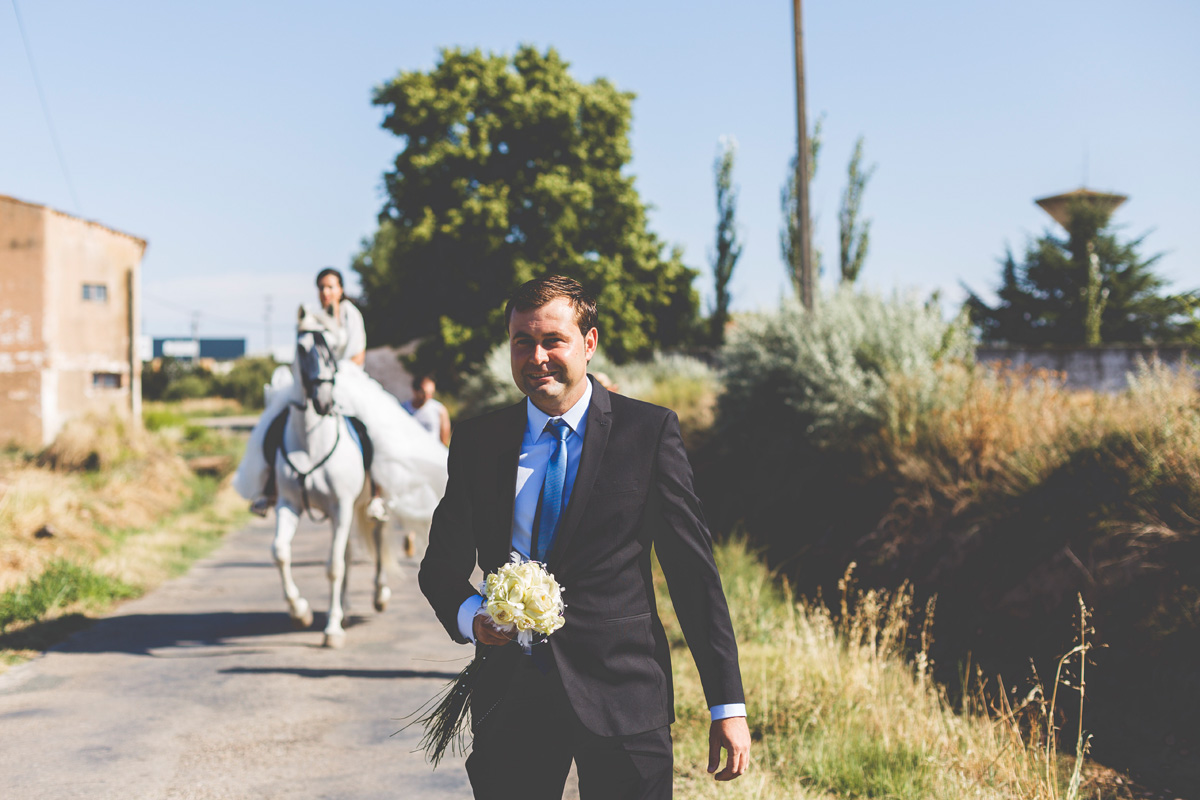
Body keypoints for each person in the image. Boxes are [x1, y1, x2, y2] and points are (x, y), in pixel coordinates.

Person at [418, 276, 750, 799]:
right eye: (522, 342)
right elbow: (440, 566)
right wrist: (473, 618)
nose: (537, 356)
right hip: (511, 698)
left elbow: (694, 577)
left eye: (554, 340)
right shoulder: (480, 442)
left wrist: (726, 706)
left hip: (624, 697)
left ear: (589, 343)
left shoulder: (649, 433)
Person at [233, 268, 448, 530]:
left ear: (340, 290)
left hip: (346, 377)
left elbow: (357, 354)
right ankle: (268, 487)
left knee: (375, 427)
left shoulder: (351, 315)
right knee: (277, 418)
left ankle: (377, 492)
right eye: (321, 287)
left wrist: (334, 373)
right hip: (315, 379)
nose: (325, 292)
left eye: (330, 287)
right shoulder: (311, 316)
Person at [402, 374, 451, 446]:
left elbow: (444, 441)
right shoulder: (403, 409)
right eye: (424, 393)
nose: (427, 397)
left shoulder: (440, 410)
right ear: (415, 390)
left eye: (431, 393)